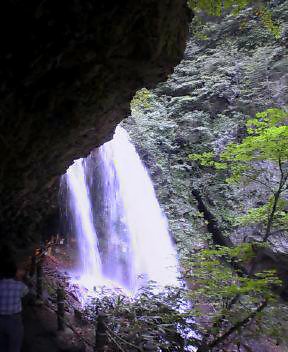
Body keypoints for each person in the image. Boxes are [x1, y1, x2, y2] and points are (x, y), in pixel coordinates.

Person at [0, 260, 29, 352]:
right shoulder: (20, 286)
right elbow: (25, 293)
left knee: (2, 345)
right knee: (15, 346)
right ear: (14, 272)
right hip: (14, 320)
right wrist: (19, 279)